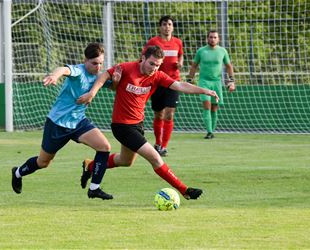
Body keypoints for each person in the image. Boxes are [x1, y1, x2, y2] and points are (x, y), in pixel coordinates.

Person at [77, 45, 219, 200]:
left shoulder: (157, 76)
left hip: (137, 125)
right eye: (152, 63)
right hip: (122, 125)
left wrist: (204, 90)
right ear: (143, 58)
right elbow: (104, 75)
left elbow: (179, 85)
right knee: (156, 158)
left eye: (158, 65)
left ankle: (90, 166)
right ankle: (185, 190)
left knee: (125, 161)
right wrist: (92, 93)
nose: (154, 68)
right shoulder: (126, 68)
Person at [11, 42, 115, 200]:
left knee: (104, 147)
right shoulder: (78, 71)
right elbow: (63, 69)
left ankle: (94, 188)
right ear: (85, 60)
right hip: (57, 124)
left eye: (101, 63)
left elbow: (113, 86)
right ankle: (18, 172)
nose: (98, 67)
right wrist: (54, 75)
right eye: (94, 63)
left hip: (79, 122)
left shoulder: (99, 76)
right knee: (43, 162)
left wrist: (118, 80)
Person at [142, 15, 184, 157]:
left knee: (169, 114)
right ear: (160, 27)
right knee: (159, 114)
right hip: (157, 81)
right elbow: (143, 57)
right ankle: (158, 142)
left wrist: (180, 63)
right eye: (164, 24)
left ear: (173, 27)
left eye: (170, 24)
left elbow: (180, 56)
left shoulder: (178, 42)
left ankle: (163, 146)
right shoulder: (153, 42)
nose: (167, 27)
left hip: (173, 81)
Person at [187, 30, 236, 139]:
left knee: (214, 108)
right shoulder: (201, 51)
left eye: (215, 37)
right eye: (210, 37)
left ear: (218, 39)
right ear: (207, 38)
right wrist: (189, 80)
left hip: (217, 82)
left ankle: (212, 131)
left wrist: (231, 80)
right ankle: (209, 131)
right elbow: (194, 66)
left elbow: (228, 66)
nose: (212, 39)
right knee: (206, 105)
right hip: (204, 82)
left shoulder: (222, 51)